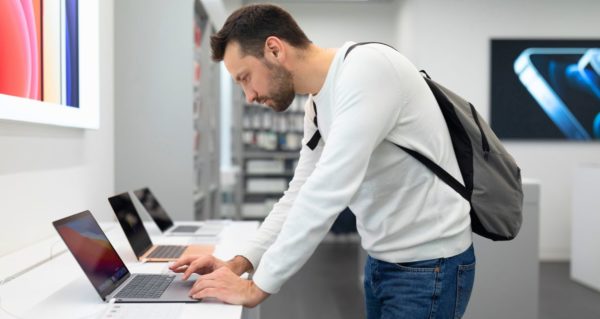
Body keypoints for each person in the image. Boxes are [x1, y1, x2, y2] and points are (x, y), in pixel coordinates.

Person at [170, 3, 476, 318]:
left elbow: (327, 191)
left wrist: (256, 287)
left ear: (274, 50)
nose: (248, 96)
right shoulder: (317, 105)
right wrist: (241, 262)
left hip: (429, 267)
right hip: (383, 261)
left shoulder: (367, 71)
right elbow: (300, 192)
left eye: (245, 78)